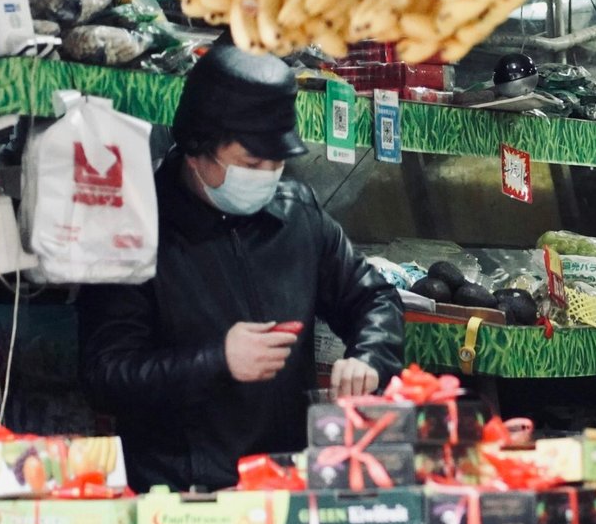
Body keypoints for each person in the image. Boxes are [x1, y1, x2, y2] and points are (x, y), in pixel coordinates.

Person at [78, 42, 404, 490]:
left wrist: (369, 357)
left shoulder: (297, 213)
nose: (266, 176)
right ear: (196, 149)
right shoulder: (135, 228)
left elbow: (374, 298)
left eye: (277, 163)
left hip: (288, 482)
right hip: (184, 498)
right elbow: (105, 375)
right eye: (251, 163)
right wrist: (217, 360)